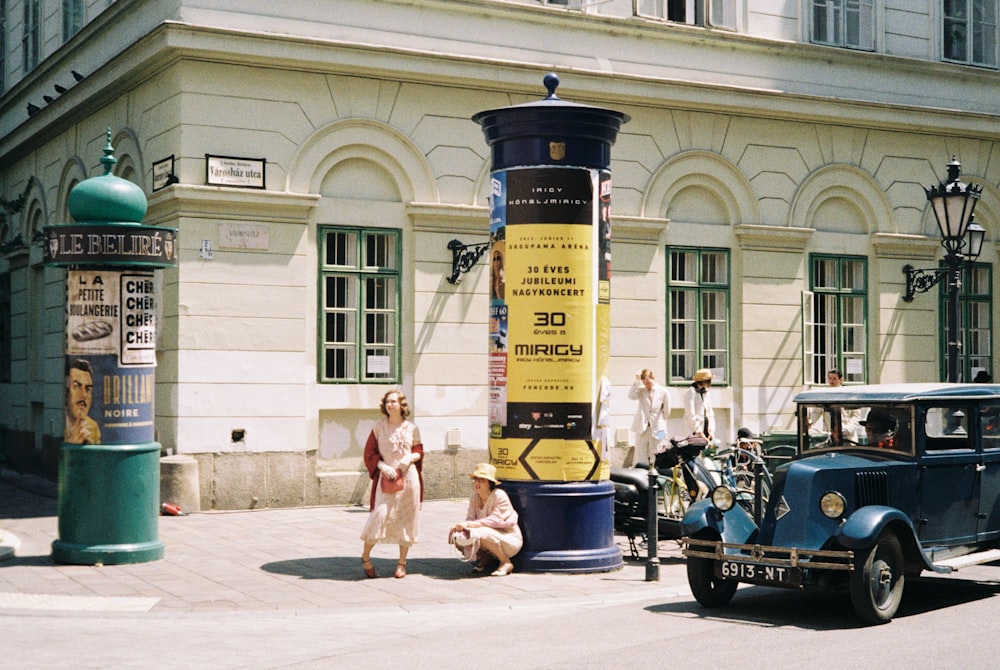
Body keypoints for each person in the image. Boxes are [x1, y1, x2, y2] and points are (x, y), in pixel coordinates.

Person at [360, 390, 424, 579]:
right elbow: (369, 453)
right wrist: (381, 466)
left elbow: (419, 450)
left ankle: (401, 563)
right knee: (379, 515)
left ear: (401, 405)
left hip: (408, 479)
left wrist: (410, 458)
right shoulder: (379, 427)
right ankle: (365, 557)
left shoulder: (412, 428)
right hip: (386, 478)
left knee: (407, 518)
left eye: (394, 401)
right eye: (388, 401)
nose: (390, 405)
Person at [448, 463, 522, 577]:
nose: (477, 483)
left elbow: (495, 520)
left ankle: (505, 562)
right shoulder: (474, 498)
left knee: (481, 532)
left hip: (508, 539)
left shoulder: (499, 495)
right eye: (476, 480)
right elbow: (470, 519)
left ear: (489, 483)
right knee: (459, 535)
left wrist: (469, 524)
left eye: (482, 480)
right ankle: (485, 558)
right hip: (488, 538)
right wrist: (462, 527)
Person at [629, 369, 670, 469]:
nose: (647, 385)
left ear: (653, 378)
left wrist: (659, 421)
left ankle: (657, 473)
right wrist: (637, 381)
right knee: (640, 453)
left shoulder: (663, 391)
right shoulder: (641, 391)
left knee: (658, 451)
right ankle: (641, 474)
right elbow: (631, 396)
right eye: (645, 383)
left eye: (648, 382)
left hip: (658, 428)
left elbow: (667, 411)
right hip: (642, 427)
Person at [65, 358, 100, 445]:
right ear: (66, 391)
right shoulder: (58, 421)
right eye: (76, 386)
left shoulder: (93, 427)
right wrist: (72, 444)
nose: (84, 395)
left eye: (88, 389)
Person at [683, 368, 715, 440]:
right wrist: (698, 432)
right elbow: (690, 414)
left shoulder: (706, 393)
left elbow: (710, 413)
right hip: (694, 431)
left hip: (705, 429)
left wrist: (711, 431)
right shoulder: (690, 392)